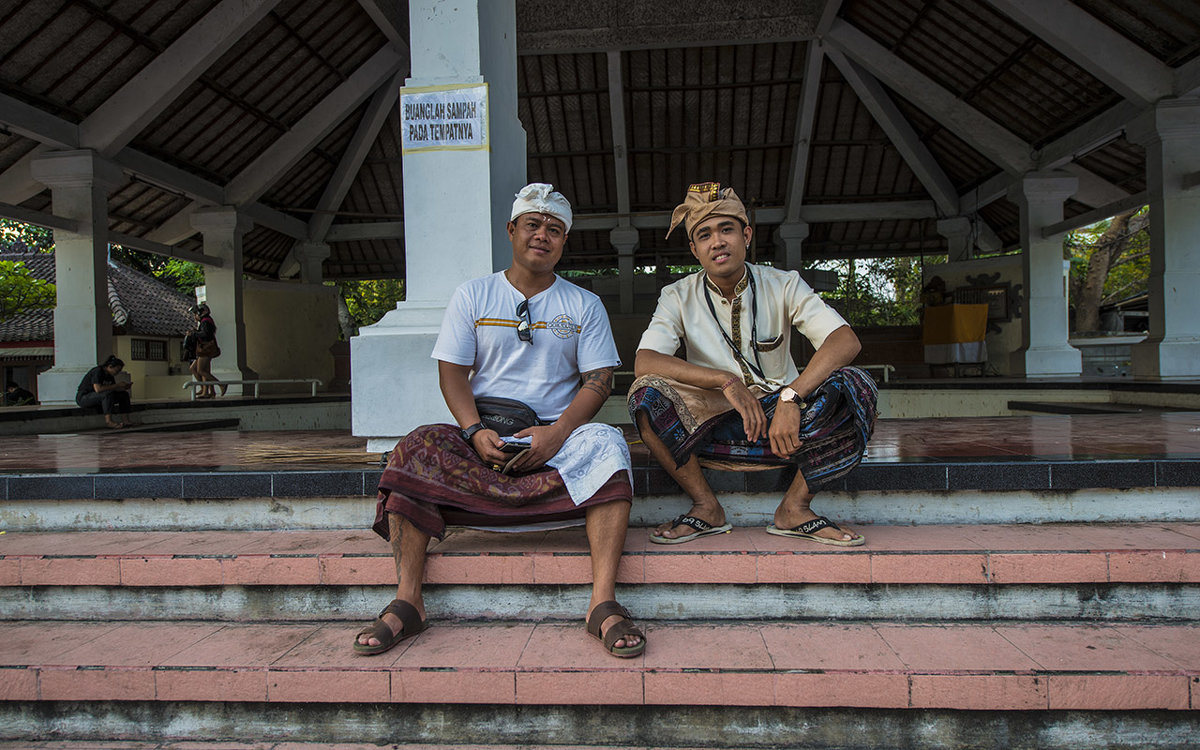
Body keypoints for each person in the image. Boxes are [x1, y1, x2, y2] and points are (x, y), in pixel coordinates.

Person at [354, 183, 644, 658]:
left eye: (554, 229)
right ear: (511, 230)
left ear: (563, 241)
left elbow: (598, 380)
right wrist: (473, 430)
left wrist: (556, 434)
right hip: (482, 435)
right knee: (415, 447)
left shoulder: (583, 305)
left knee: (609, 444)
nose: (542, 236)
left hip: (554, 437)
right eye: (532, 225)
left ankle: (602, 601)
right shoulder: (474, 295)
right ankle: (408, 600)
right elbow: (452, 373)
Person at [629, 182, 878, 546]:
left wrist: (791, 397)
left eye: (726, 229)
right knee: (644, 397)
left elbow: (844, 340)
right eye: (704, 234)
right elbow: (645, 361)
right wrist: (725, 381)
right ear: (694, 248)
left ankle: (794, 507)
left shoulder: (785, 284)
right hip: (716, 422)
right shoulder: (677, 295)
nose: (717, 242)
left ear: (746, 235)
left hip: (786, 428)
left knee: (856, 386)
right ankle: (705, 506)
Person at [76, 355, 133, 428]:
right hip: (84, 397)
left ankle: (126, 420)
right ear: (110, 366)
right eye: (117, 370)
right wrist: (117, 385)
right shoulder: (98, 371)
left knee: (123, 395)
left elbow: (112, 388)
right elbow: (98, 389)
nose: (117, 373)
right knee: (107, 394)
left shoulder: (110, 375)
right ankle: (109, 421)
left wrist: (123, 387)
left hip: (99, 397)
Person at [189, 304, 225, 399]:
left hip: (206, 350)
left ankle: (221, 385)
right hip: (205, 350)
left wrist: (195, 334)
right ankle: (208, 391)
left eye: (196, 313)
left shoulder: (206, 322)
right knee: (202, 370)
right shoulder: (206, 321)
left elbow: (205, 334)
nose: (195, 316)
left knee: (200, 370)